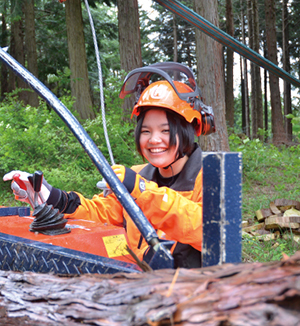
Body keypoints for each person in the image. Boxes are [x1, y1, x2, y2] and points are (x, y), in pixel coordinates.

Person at [3, 62, 215, 269]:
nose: (154, 140)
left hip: (194, 295)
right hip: (140, 286)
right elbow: (101, 213)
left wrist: (140, 189)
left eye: (166, 130)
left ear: (191, 129)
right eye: (146, 131)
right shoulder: (139, 174)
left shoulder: (211, 177)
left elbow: (207, 231)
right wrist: (52, 197)